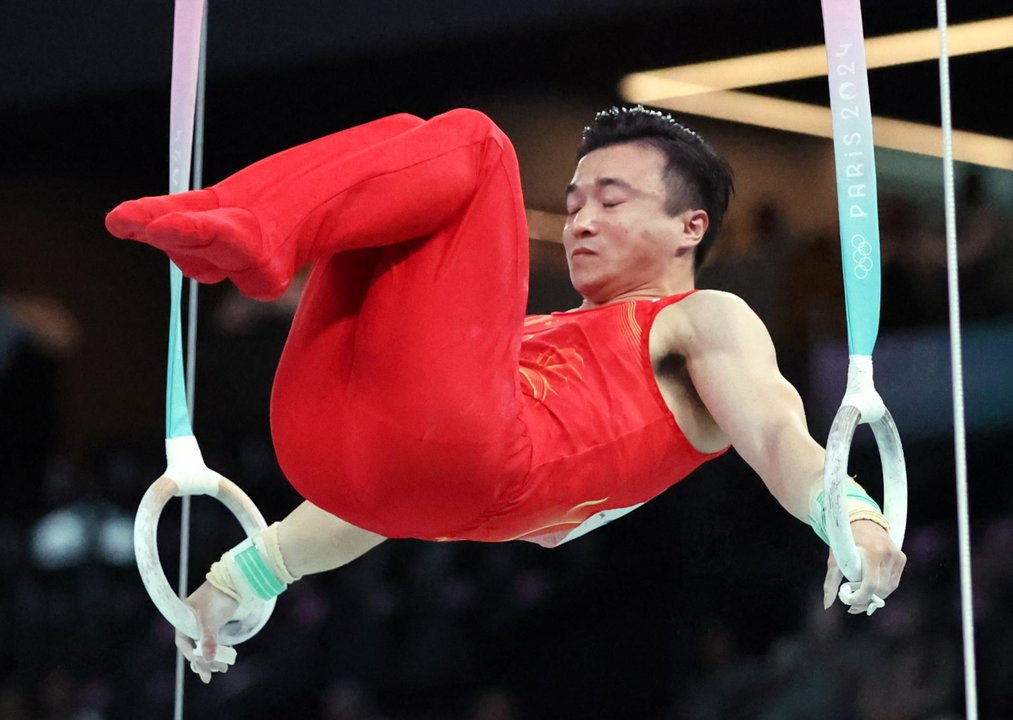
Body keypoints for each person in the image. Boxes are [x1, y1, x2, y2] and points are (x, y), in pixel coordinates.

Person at [105, 106, 906, 682]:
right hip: (333, 458)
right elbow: (389, 496)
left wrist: (855, 522)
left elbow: (773, 434)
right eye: (575, 202)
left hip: (481, 460)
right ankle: (234, 221)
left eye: (611, 199)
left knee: (479, 148)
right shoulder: (517, 335)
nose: (580, 221)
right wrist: (240, 580)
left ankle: (256, 225)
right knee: (398, 152)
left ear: (689, 228)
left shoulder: (703, 318)